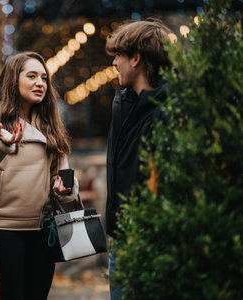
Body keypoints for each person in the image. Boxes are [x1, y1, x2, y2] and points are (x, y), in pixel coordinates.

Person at [0, 51, 79, 300]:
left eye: (44, 78)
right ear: (13, 80)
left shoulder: (49, 121)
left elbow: (63, 173)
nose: (40, 83)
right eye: (31, 76)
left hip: (44, 230)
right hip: (1, 231)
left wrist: (66, 188)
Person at [104, 19, 172, 299]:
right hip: (121, 239)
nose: (114, 63)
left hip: (153, 242)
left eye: (118, 56)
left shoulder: (169, 110)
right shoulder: (123, 105)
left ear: (135, 57)